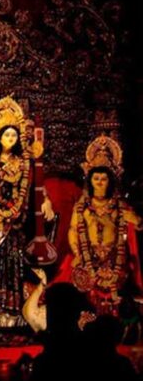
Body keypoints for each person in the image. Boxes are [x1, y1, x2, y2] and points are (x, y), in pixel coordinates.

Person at [0, 97, 55, 329]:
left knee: (14, 262)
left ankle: (14, 311)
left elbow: (36, 183)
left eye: (14, 135)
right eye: (6, 134)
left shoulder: (23, 161)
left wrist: (46, 200)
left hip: (17, 220)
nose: (10, 138)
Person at [56, 135, 143, 317]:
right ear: (90, 181)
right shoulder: (81, 207)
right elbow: (73, 231)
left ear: (111, 181)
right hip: (87, 258)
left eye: (104, 179)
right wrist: (78, 254)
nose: (100, 183)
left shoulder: (120, 206)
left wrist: (136, 221)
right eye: (96, 179)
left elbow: (135, 228)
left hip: (115, 261)